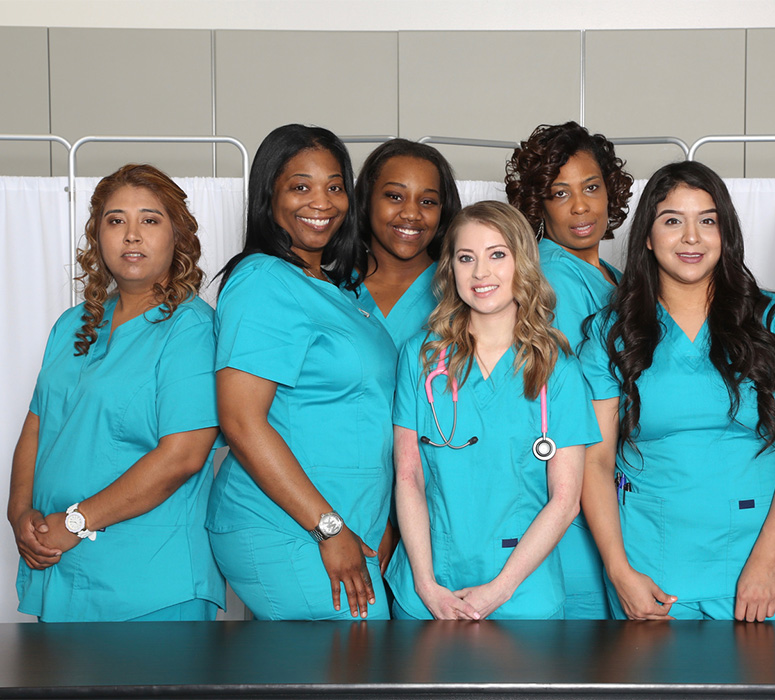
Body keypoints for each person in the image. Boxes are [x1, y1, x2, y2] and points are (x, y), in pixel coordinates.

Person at [579, 160, 775, 621]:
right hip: (648, 565)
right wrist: (619, 571)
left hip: (755, 561)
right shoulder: (611, 334)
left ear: (725, 234)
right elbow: (594, 461)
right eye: (672, 220)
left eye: (707, 221)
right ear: (648, 238)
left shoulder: (774, 320)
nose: (691, 237)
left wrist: (765, 562)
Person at [8, 163, 224, 622]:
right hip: (60, 566)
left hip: (150, 583)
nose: (131, 235)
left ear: (178, 237)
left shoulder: (191, 330)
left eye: (149, 220)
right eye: (115, 220)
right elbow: (38, 423)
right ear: (98, 235)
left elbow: (183, 456)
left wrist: (73, 523)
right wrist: (19, 510)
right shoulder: (73, 325)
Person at [207, 124, 397, 620]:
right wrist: (328, 529)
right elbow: (242, 421)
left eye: (335, 186)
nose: (322, 201)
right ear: (268, 194)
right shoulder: (263, 279)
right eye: (300, 186)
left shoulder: (338, 289)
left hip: (344, 523)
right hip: (289, 526)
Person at [386, 201, 600, 620]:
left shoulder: (557, 369)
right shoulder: (421, 358)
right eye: (466, 258)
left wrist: (499, 591)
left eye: (497, 255)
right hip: (430, 588)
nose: (480, 273)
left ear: (523, 262)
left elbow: (565, 500)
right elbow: (408, 476)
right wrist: (427, 586)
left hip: (523, 593)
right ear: (450, 270)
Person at [505, 121, 633, 619]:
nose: (581, 207)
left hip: (608, 481)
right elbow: (565, 403)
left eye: (592, 187)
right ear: (539, 205)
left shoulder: (614, 278)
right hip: (576, 487)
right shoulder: (553, 277)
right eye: (560, 194)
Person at [355, 139, 462, 349]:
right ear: (367, 199)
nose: (412, 214)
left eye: (427, 202)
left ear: (443, 209)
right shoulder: (332, 289)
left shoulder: (462, 290)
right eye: (395, 196)